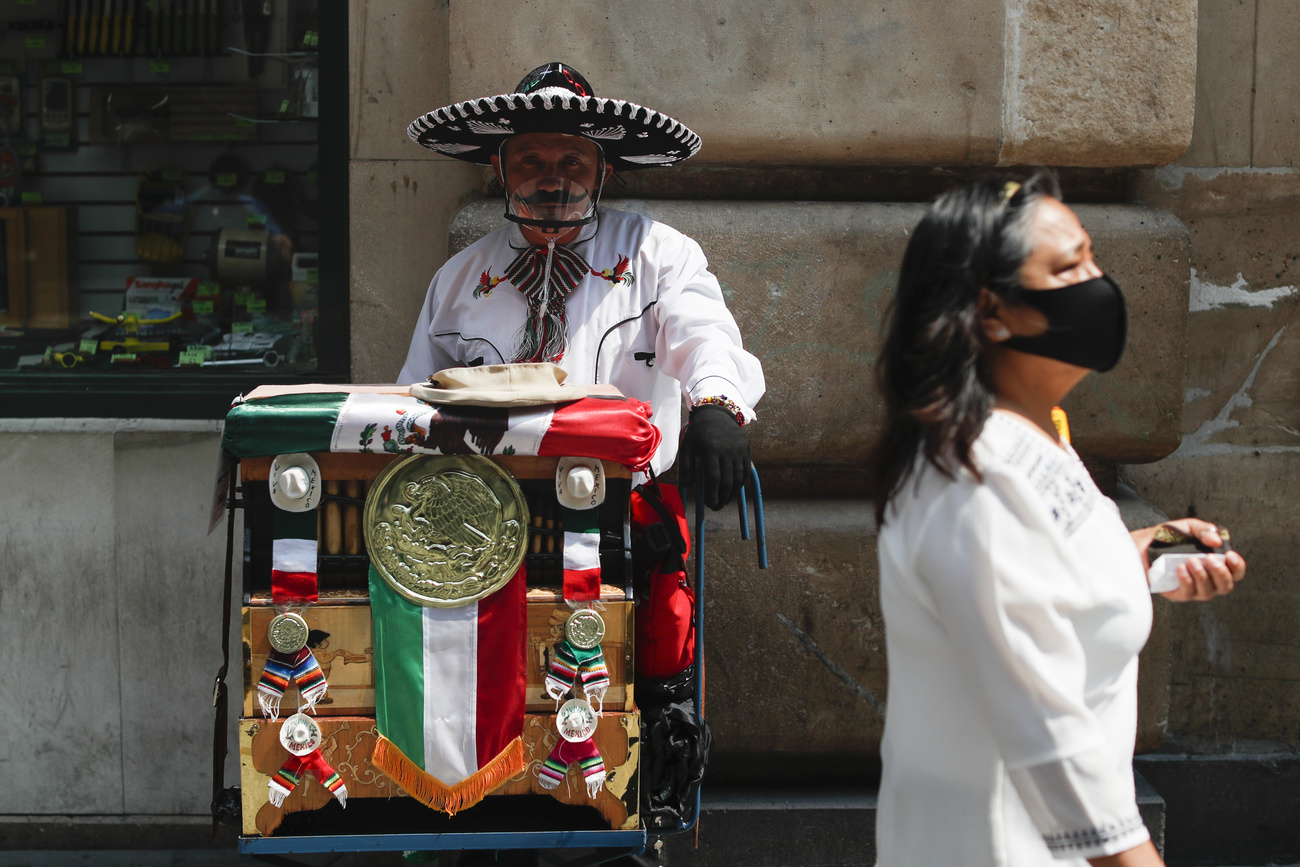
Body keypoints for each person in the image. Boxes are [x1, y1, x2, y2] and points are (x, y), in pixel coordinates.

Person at [869, 174, 1246, 867]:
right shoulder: (972, 483)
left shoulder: (1038, 437)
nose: (1099, 282)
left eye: (1093, 257)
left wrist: (1146, 554)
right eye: (1070, 267)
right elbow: (1045, 731)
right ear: (993, 313)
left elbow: (1047, 573)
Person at [398, 62, 765, 509]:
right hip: (488, 512)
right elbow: (416, 397)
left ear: (602, 171)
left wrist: (715, 407)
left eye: (572, 161)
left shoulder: (660, 254)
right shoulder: (459, 277)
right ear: (500, 168)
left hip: (625, 507)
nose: (552, 178)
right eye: (530, 160)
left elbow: (705, 334)